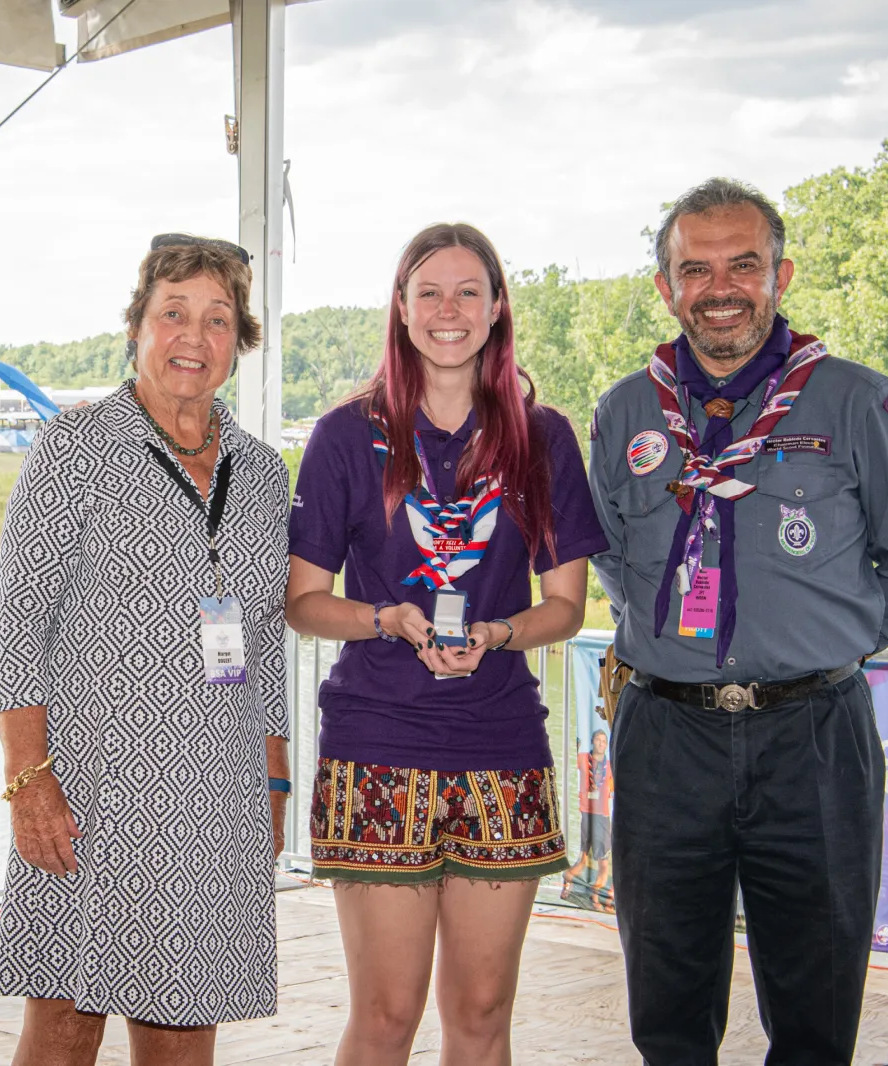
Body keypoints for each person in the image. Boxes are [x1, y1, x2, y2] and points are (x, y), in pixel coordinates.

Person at [588, 178, 888, 1065]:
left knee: (816, 1009)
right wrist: (676, 649)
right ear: (666, 288)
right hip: (666, 736)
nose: (720, 289)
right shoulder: (624, 411)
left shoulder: (858, 402)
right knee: (666, 1011)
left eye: (742, 265)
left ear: (779, 276)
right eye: (695, 269)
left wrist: (811, 649)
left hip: (812, 734)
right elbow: (612, 558)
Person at [285, 222, 609, 1066]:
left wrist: (501, 634)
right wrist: (385, 618)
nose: (448, 310)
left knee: (482, 1012)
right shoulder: (345, 436)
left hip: (501, 746)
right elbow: (303, 602)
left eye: (469, 292)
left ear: (497, 308)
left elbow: (565, 607)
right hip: (377, 744)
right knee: (386, 1015)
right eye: (428, 292)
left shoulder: (543, 436)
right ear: (400, 308)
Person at [0, 233, 291, 1066]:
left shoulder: (264, 474)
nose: (193, 336)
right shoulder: (75, 446)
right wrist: (28, 781)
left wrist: (272, 781)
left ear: (238, 340)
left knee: (184, 1030)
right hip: (88, 791)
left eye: (217, 318)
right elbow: (19, 626)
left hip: (215, 796)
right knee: (63, 1025)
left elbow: (263, 644)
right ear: (137, 326)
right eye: (173, 313)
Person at [560, 728, 613, 912]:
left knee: (598, 862)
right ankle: (592, 897)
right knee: (595, 862)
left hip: (602, 815)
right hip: (589, 814)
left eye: (604, 741)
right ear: (592, 742)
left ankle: (591, 895)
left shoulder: (610, 765)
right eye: (598, 740)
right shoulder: (583, 758)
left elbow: (614, 788)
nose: (601, 743)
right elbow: (568, 760)